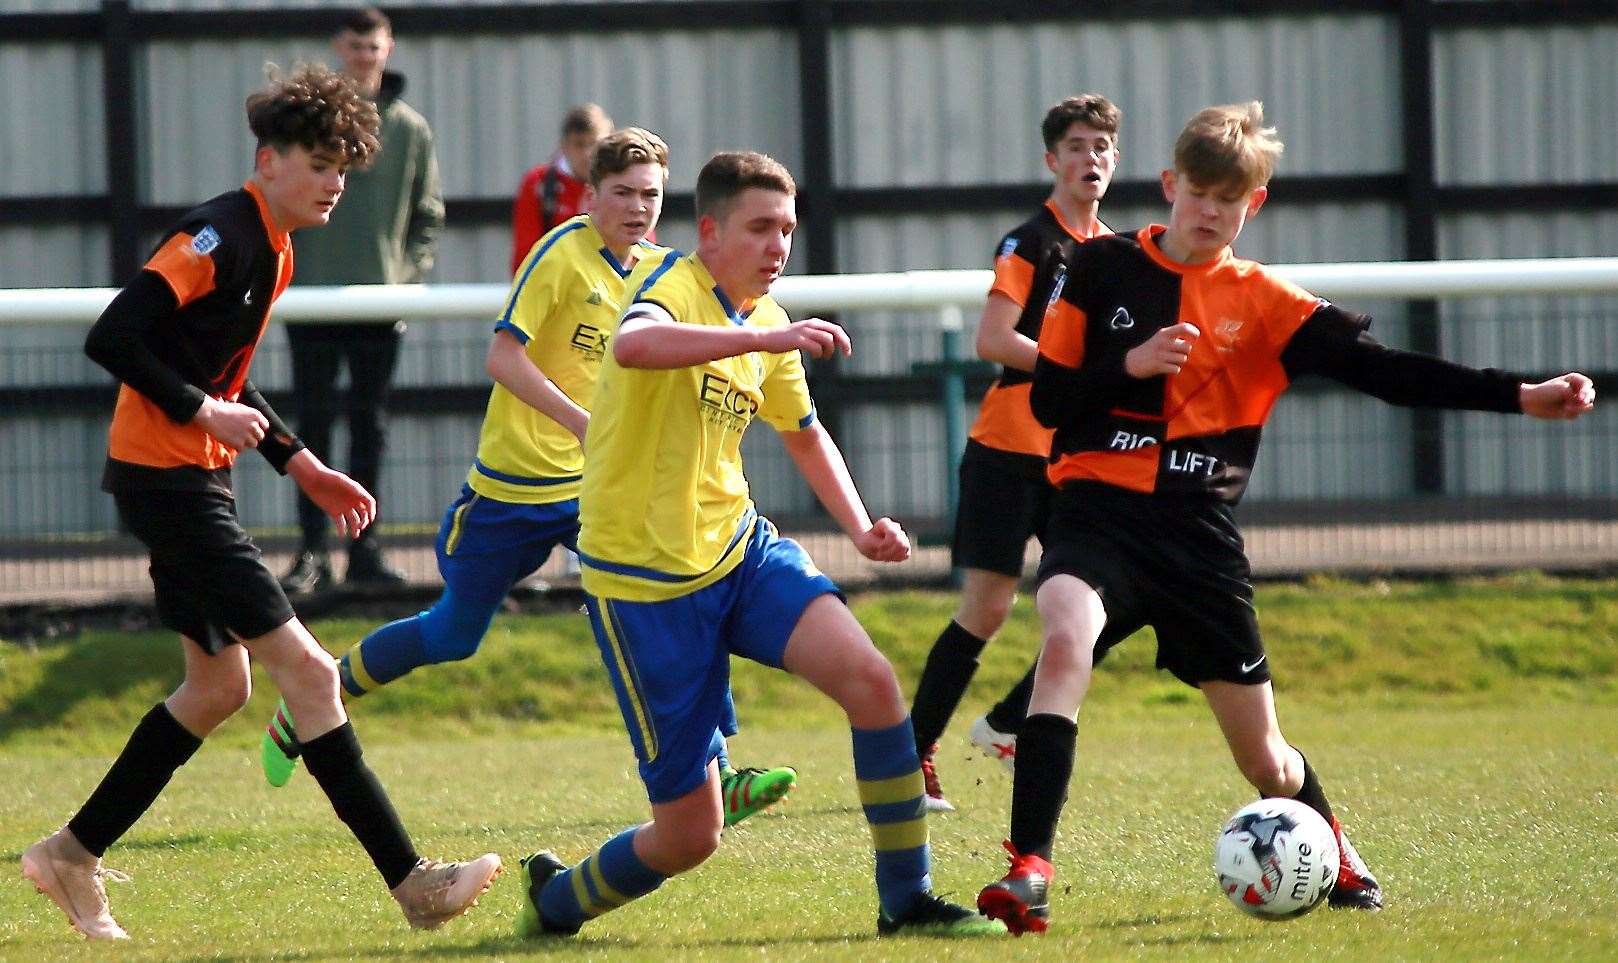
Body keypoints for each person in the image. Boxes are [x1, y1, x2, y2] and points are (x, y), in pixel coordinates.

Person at [974, 101, 1596, 935]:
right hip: (1098, 510)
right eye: (1198, 193)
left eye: (1230, 201)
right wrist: (1128, 363)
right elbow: (1048, 398)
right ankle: (1032, 869)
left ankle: (1335, 851)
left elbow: (1386, 372)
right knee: (1062, 637)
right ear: (1169, 186)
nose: (1210, 212)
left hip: (1198, 537)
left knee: (1263, 753)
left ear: (1253, 205)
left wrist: (1519, 396)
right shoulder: (1099, 269)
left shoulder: (1265, 301)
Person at [22, 64, 498, 943]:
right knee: (311, 674)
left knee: (215, 687)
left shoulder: (275, 247)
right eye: (320, 165)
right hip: (168, 483)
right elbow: (114, 333)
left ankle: (69, 854)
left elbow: (219, 378)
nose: (334, 184)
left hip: (191, 477)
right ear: (268, 160)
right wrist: (200, 410)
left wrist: (300, 462)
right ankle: (414, 883)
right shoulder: (216, 235)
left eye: (344, 171)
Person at [514, 151, 1004, 939]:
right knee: (688, 836)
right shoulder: (668, 287)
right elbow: (636, 346)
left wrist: (860, 524)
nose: (778, 245)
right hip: (643, 585)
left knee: (875, 684)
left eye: (787, 229)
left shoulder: (769, 321)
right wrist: (752, 344)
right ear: (709, 232)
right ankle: (559, 898)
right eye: (760, 228)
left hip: (740, 551)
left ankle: (906, 900)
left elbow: (805, 437)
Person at [257, 128, 798, 828]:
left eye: (651, 195)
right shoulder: (562, 254)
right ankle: (313, 696)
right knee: (454, 633)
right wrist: (581, 421)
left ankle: (720, 770)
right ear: (589, 194)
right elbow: (503, 359)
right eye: (623, 193)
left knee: (691, 581)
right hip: (514, 488)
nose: (638, 207)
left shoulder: (669, 272)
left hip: (599, 489)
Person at [910, 94, 1121, 813]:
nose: (1089, 158)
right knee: (987, 609)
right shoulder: (1031, 241)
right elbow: (994, 340)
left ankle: (1004, 723)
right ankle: (911, 756)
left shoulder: (1121, 254)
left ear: (1114, 161)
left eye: (1101, 146)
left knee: (1101, 602)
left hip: (1076, 460)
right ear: (1051, 160)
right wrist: (1077, 374)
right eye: (1076, 146)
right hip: (1006, 450)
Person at [280, 6, 445, 593]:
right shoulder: (306, 127)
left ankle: (365, 550)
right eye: (355, 46)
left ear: (388, 49)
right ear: (338, 47)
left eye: (373, 47)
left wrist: (403, 277)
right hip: (310, 300)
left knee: (369, 425)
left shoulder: (409, 128)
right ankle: (310, 553)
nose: (364, 56)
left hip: (381, 303)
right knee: (312, 425)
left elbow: (428, 215)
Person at [510, 103, 614, 276]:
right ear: (564, 146)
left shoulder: (623, 182)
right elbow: (524, 259)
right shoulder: (539, 184)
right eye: (580, 144)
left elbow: (642, 247)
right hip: (558, 293)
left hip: (615, 290)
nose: (588, 153)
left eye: (594, 143)